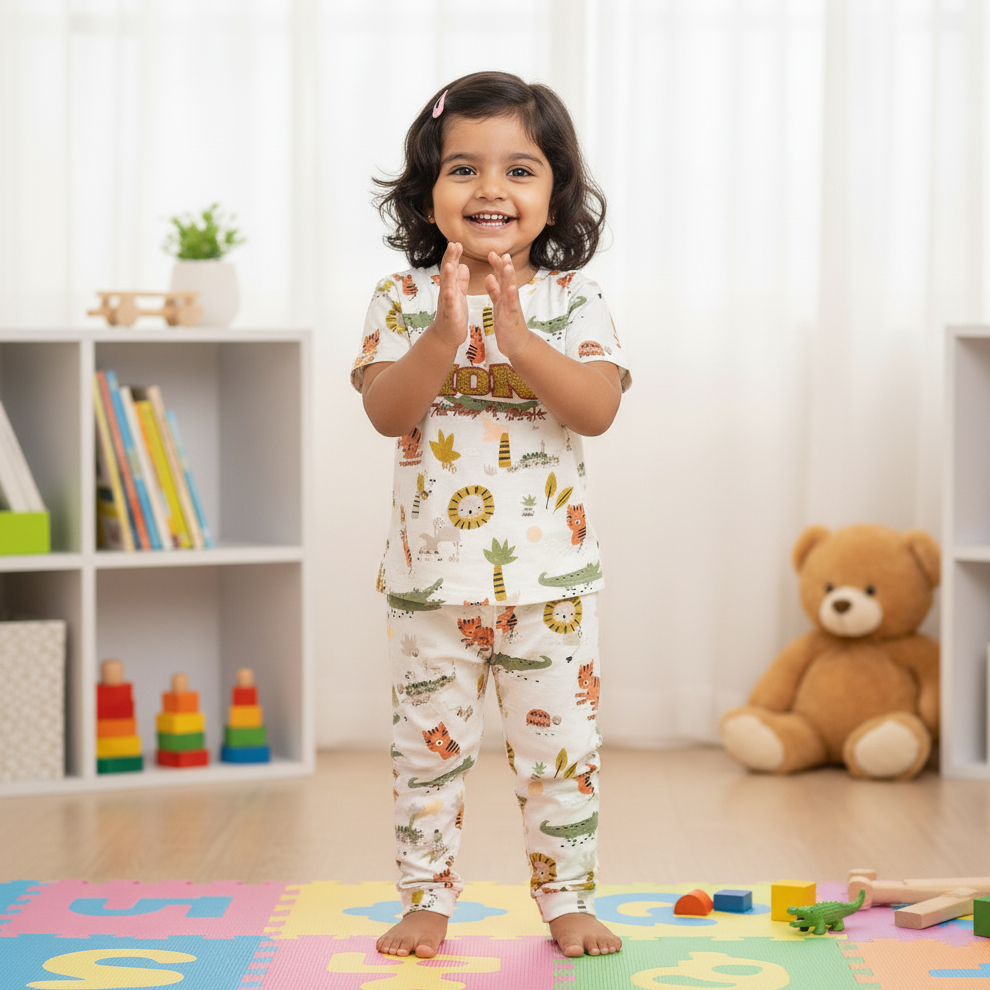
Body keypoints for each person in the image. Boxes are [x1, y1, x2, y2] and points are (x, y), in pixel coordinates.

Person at [350, 71, 631, 961]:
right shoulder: (400, 299)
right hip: (429, 585)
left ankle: (568, 899)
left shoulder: (574, 299)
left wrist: (518, 342)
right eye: (463, 168)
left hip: (553, 587)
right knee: (427, 755)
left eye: (519, 169)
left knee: (562, 755)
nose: (490, 189)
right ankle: (426, 900)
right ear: (428, 190)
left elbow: (596, 410)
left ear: (555, 192)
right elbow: (388, 413)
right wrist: (445, 334)